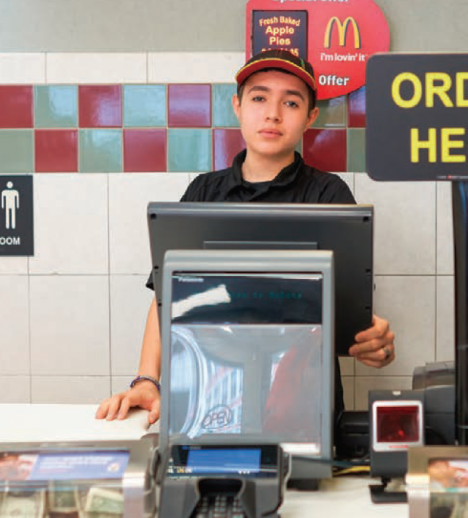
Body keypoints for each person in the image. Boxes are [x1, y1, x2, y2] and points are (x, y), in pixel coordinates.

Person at [96, 49, 396, 425]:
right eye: (259, 98)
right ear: (237, 106)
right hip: (212, 394)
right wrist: (146, 380)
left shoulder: (328, 196)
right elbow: (166, 294)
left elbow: (352, 308)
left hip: (304, 401)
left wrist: (375, 344)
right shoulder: (204, 193)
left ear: (310, 117)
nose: (273, 113)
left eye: (291, 102)